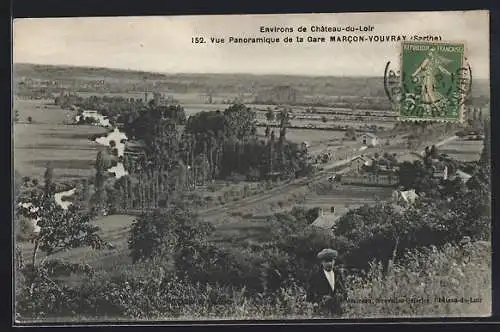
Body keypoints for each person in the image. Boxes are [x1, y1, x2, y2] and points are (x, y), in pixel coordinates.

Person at [306, 248, 347, 316]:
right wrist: (315, 303)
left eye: (331, 261)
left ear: (334, 261)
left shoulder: (338, 274)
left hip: (338, 311)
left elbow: (344, 291)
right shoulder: (315, 276)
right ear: (322, 262)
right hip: (322, 311)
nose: (329, 264)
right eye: (326, 261)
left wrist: (341, 297)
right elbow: (310, 294)